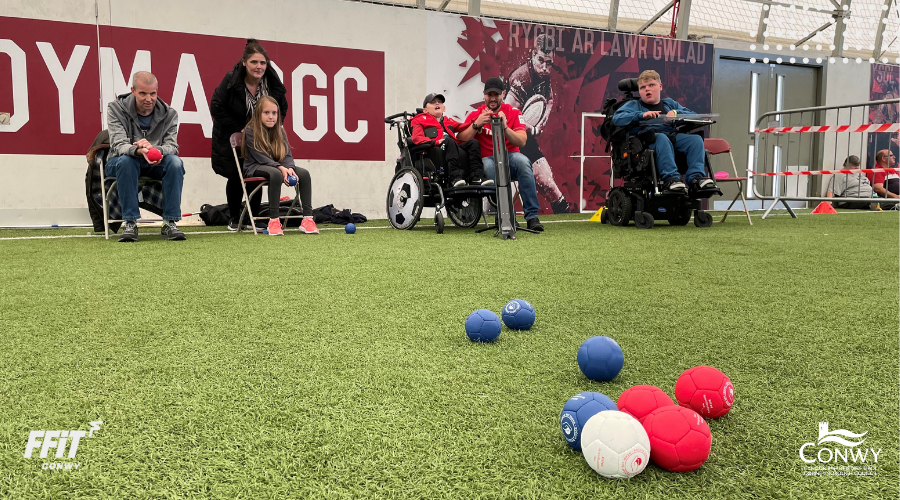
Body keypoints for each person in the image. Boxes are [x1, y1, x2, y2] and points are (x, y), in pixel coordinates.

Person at [211, 39, 289, 231]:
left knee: (259, 170)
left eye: (262, 63)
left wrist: (273, 129)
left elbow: (282, 107)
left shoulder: (271, 81)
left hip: (261, 138)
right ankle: (235, 216)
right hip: (232, 136)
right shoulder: (231, 80)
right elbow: (216, 107)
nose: (259, 67)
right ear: (244, 62)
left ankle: (254, 216)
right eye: (254, 62)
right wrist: (242, 128)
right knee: (236, 175)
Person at [106, 71, 185, 242]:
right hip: (120, 160)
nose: (148, 99)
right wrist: (138, 150)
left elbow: (172, 146)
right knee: (127, 161)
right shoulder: (115, 108)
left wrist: (153, 150)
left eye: (152, 93)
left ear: (157, 91)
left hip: (155, 161)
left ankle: (169, 222)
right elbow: (118, 144)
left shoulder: (170, 113)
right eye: (143, 93)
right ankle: (130, 223)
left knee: (175, 162)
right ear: (133, 91)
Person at [457, 77, 544, 232]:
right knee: (489, 166)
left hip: (510, 156)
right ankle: (503, 214)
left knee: (524, 162)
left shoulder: (513, 113)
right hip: (487, 158)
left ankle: (532, 217)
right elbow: (460, 139)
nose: (492, 98)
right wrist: (477, 124)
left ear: (503, 93)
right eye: (489, 94)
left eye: (496, 94)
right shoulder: (476, 114)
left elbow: (522, 141)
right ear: (483, 95)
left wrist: (505, 128)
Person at [611, 69, 717, 194]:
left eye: (651, 85)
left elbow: (693, 115)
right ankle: (671, 179)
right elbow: (617, 119)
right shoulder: (633, 105)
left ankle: (695, 179)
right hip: (647, 140)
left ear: (660, 86)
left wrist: (676, 113)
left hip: (671, 136)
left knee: (695, 140)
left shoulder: (669, 104)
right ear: (639, 91)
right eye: (643, 87)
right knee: (661, 138)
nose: (647, 89)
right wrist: (641, 115)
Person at [506, 35, 576, 214]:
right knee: (513, 185)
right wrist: (530, 127)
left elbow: (549, 100)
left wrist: (540, 124)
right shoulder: (520, 79)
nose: (545, 67)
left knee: (548, 182)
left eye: (549, 62)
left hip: (525, 138)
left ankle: (564, 217)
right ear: (532, 55)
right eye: (541, 60)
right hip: (509, 140)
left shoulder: (543, 75)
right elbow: (506, 118)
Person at [242, 96, 318, 236]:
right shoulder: (250, 130)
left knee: (304, 173)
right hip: (255, 167)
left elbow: (287, 154)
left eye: (274, 113)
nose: (271, 117)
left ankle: (307, 219)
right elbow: (260, 156)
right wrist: (280, 168)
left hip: (277, 167)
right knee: (275, 174)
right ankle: (274, 221)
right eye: (266, 113)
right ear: (258, 114)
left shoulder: (280, 131)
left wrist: (290, 168)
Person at [410, 93, 490, 187]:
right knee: (449, 141)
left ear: (444, 108)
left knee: (473, 143)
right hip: (434, 149)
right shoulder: (419, 120)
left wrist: (479, 119)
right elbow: (416, 138)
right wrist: (435, 142)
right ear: (425, 110)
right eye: (432, 102)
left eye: (440, 102)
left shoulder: (448, 120)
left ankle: (476, 177)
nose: (437, 104)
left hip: (451, 147)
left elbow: (464, 126)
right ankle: (454, 178)